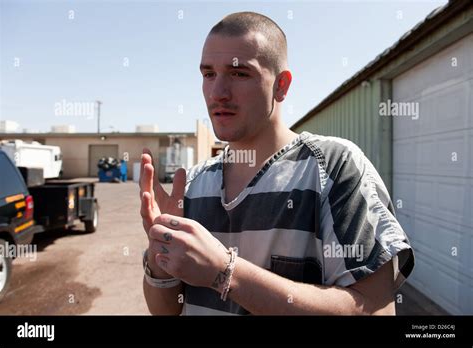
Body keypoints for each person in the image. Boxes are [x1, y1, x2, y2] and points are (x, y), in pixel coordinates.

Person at [139, 11, 414, 315]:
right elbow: (165, 311)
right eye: (208, 74)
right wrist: (160, 257)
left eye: (239, 73)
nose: (217, 93)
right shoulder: (191, 184)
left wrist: (226, 272)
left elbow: (376, 309)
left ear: (281, 86)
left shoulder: (333, 168)